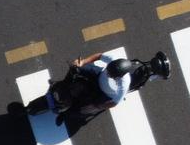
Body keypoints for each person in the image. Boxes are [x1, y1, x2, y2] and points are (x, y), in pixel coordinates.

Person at [38, 51, 171, 123]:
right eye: (109, 70)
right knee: (75, 69)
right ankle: (61, 84)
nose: (109, 73)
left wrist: (98, 106)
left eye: (112, 75)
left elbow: (114, 102)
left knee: (81, 110)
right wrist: (82, 62)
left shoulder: (124, 84)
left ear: (120, 77)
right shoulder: (114, 61)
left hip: (104, 93)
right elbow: (99, 56)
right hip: (98, 75)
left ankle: (65, 114)